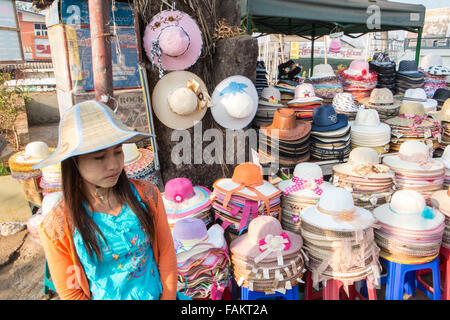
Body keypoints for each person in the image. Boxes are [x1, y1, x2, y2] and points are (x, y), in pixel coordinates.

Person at [34, 100, 178, 300]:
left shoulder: (147, 195)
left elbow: (166, 253)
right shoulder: (56, 227)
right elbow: (72, 293)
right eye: (99, 157)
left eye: (118, 152)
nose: (113, 165)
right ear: (74, 161)